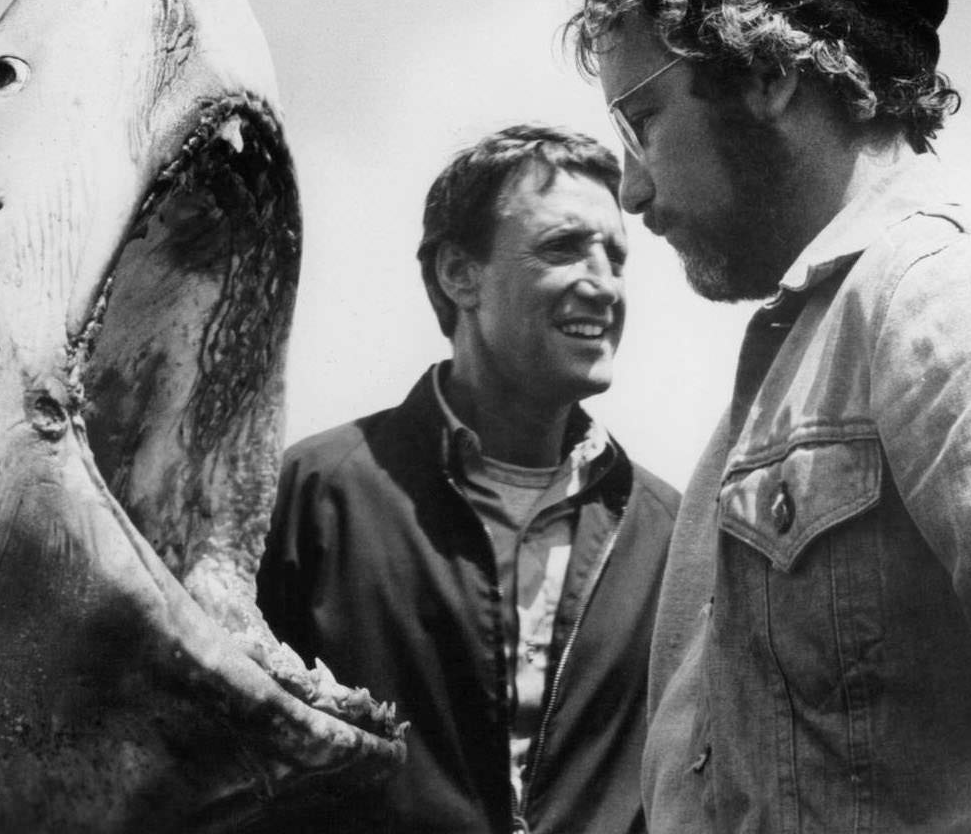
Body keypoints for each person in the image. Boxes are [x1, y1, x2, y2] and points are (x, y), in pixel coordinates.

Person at [564, 0, 971, 832]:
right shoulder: (786, 374)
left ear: (767, 73)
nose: (629, 191)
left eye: (641, 124)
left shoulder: (942, 294)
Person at [256, 124, 679, 833]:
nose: (603, 284)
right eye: (563, 247)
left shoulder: (671, 530)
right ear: (459, 273)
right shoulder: (313, 493)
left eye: (616, 256)